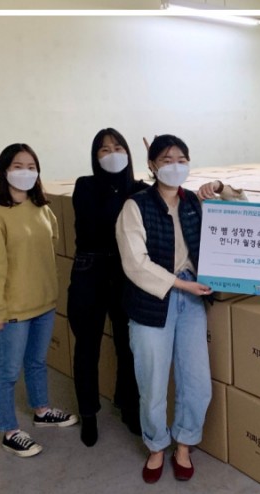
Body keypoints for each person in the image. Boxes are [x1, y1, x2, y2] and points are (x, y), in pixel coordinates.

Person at [115, 134, 245, 484]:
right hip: (152, 301)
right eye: (167, 160)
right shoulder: (136, 206)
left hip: (191, 301)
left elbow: (242, 211)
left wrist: (220, 187)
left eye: (182, 160)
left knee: (197, 381)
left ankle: (184, 444)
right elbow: (135, 263)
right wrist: (181, 284)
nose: (175, 166)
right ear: (152, 165)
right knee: (153, 382)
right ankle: (157, 446)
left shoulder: (194, 202)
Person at [0, 143, 78, 458]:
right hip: (13, 310)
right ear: (4, 171)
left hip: (44, 302)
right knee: (8, 371)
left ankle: (42, 410)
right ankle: (9, 430)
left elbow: (51, 243)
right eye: (18, 166)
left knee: (36, 361)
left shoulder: (41, 208)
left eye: (31, 167)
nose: (25, 172)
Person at [68, 128, 149, 447]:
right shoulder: (85, 186)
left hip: (126, 272)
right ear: (95, 156)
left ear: (128, 153)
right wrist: (129, 197)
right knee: (87, 345)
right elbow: (99, 225)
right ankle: (88, 413)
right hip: (91, 271)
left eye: (118, 148)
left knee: (127, 345)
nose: (112, 154)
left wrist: (155, 171)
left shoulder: (140, 188)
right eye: (104, 150)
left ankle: (128, 406)